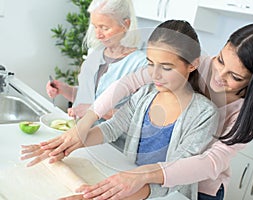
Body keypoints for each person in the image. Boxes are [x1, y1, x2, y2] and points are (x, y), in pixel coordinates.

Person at [22, 20, 219, 199]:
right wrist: (68, 143)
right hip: (128, 183)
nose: (155, 75)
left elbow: (175, 174)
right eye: (151, 64)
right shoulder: (146, 94)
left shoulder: (204, 114)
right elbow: (112, 128)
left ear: (192, 65)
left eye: (166, 67)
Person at [46, 0, 147, 119]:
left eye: (104, 28)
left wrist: (94, 110)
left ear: (125, 25)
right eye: (95, 27)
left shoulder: (141, 64)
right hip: (79, 132)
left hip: (108, 137)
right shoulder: (95, 54)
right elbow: (87, 98)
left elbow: (138, 118)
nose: (98, 35)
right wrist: (64, 89)